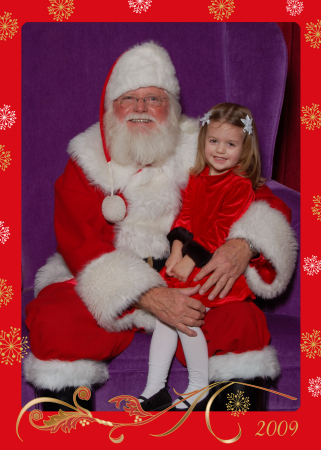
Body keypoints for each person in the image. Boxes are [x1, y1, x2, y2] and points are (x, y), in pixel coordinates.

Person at [23, 42, 297, 410]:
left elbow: (261, 197)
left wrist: (242, 245)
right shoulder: (87, 158)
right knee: (54, 318)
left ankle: (230, 435)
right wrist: (148, 294)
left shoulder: (202, 144)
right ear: (111, 107)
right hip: (113, 284)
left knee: (241, 322)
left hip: (189, 279)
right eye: (128, 98)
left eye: (153, 98)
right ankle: (67, 435)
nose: (139, 109)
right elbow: (79, 239)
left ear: (171, 105)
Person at [139, 103, 276, 411]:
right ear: (203, 141)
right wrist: (176, 249)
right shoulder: (197, 177)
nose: (220, 150)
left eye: (231, 144)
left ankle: (199, 386)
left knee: (188, 316)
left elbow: (220, 230)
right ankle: (154, 388)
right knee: (166, 318)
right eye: (214, 141)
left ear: (245, 148)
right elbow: (185, 216)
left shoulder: (239, 185)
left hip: (210, 269)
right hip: (189, 261)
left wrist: (191, 260)